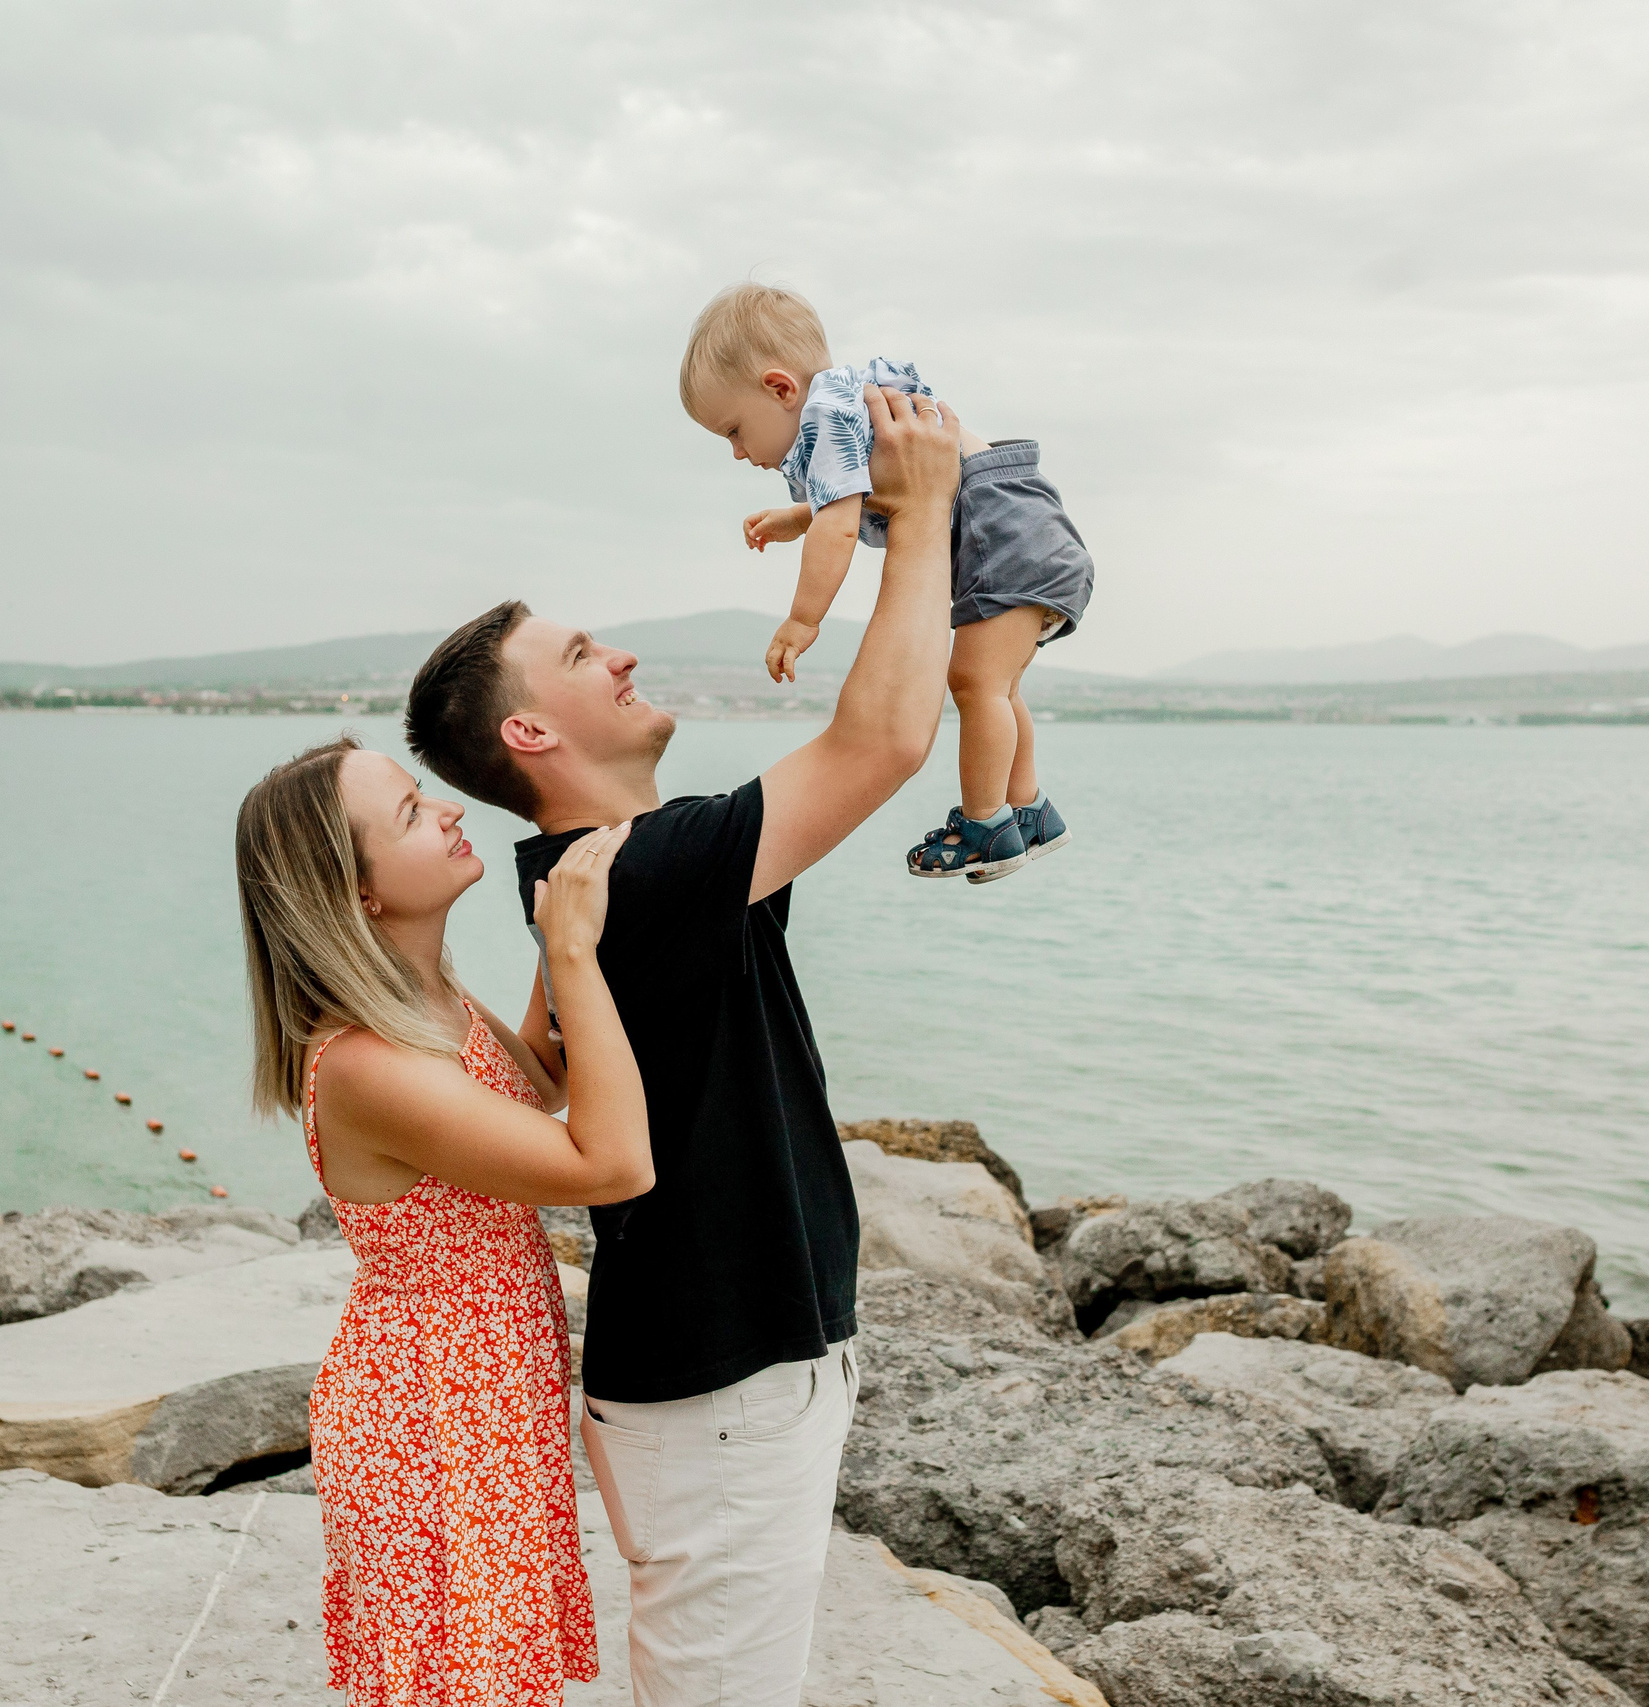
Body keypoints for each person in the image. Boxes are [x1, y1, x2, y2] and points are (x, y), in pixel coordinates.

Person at [400, 385, 965, 1706]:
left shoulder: (596, 876)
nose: (625, 659)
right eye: (586, 652)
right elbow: (881, 738)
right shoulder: (641, 867)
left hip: (732, 1370)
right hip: (725, 1386)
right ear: (530, 732)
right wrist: (924, 507)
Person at [235, 734, 646, 1706]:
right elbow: (612, 1164)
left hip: (485, 1400)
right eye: (413, 814)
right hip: (433, 1423)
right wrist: (577, 955)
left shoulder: (428, 1001)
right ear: (359, 893)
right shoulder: (371, 1063)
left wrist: (561, 918)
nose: (452, 811)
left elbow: (539, 1082)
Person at [680, 280, 1094, 883]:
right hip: (1024, 527)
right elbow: (858, 494)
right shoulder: (849, 403)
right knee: (995, 689)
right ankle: (1030, 812)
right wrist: (799, 516)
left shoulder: (826, 413)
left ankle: (986, 825)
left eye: (734, 430)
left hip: (1003, 529)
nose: (739, 453)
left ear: (779, 388)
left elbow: (840, 528)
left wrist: (803, 619)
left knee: (976, 684)